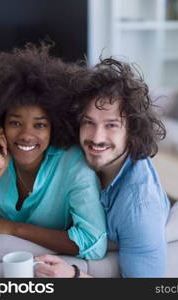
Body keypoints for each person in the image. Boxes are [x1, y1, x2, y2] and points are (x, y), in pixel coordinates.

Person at [0, 43, 107, 260]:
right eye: (15, 123)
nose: (27, 135)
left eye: (39, 125)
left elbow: (93, 244)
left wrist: (14, 229)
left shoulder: (73, 164)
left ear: (54, 127)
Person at [35, 58, 170, 278]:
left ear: (132, 132)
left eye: (111, 125)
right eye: (89, 122)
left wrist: (74, 277)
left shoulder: (139, 208)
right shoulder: (76, 156)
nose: (96, 138)